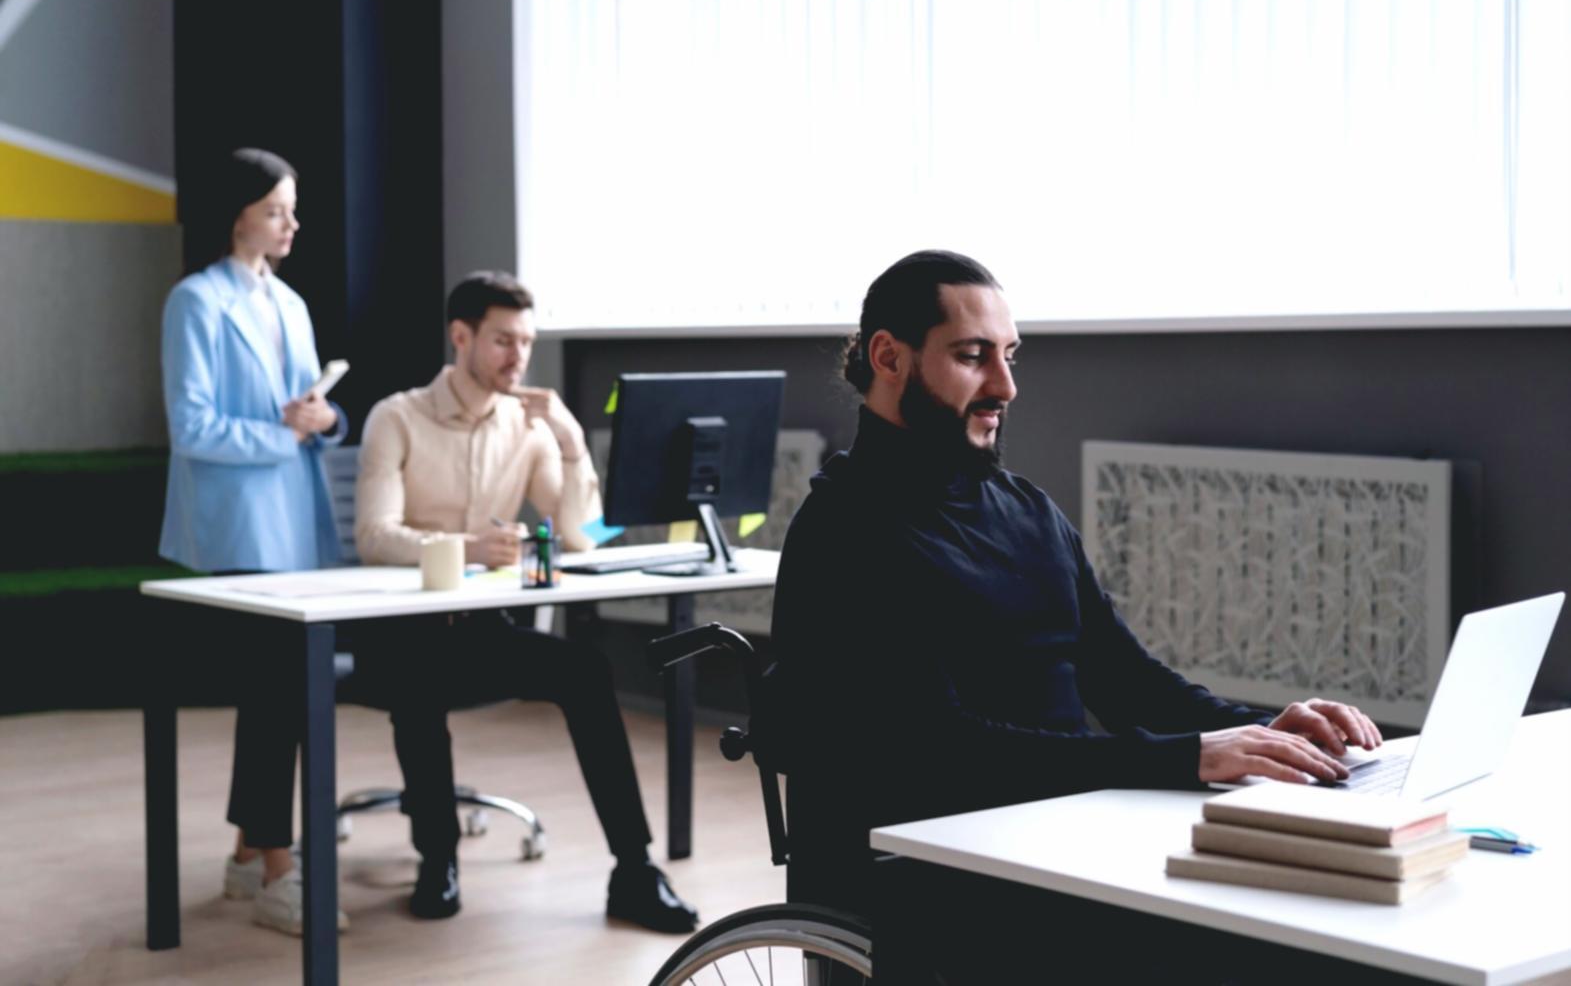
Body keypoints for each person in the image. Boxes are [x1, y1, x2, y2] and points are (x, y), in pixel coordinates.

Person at [772, 250, 1384, 918]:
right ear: (889, 359)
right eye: (973, 355)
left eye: (1010, 355)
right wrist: (1186, 758)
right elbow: (938, 751)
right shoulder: (844, 532)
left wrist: (1268, 733)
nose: (1005, 386)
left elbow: (1125, 681)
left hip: (1065, 832)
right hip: (939, 869)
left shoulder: (1025, 508)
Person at [350, 271, 699, 932]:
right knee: (419, 685)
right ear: (461, 337)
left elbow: (580, 535)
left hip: (481, 629)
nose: (518, 358)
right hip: (394, 633)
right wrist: (469, 547)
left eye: (527, 343)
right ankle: (438, 858)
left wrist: (569, 441)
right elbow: (374, 538)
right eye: (503, 341)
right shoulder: (396, 417)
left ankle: (634, 869)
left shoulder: (528, 425)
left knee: (585, 672)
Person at [158, 147, 349, 935]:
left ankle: (246, 858)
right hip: (239, 526)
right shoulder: (194, 303)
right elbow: (191, 426)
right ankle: (278, 871)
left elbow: (307, 410)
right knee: (276, 697)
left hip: (296, 520)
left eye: (291, 209)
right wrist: (282, 426)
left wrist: (325, 419)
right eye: (276, 210)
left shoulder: (290, 303)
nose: (291, 223)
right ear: (237, 214)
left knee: (274, 697)